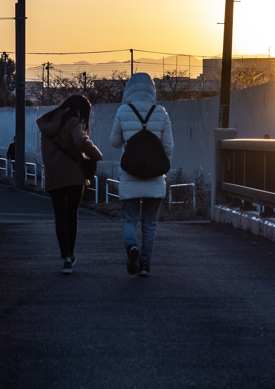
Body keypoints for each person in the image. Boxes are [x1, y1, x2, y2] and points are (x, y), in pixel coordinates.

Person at [110, 72, 174, 277]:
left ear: (129, 89)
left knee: (128, 218)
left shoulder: (123, 110)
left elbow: (115, 142)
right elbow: (168, 148)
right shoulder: (161, 112)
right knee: (149, 223)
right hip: (154, 177)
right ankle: (145, 265)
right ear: (152, 90)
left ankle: (132, 248)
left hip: (130, 174)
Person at [37, 95, 103, 274]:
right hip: (74, 174)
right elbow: (81, 141)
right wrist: (97, 155)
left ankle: (65, 256)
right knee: (72, 215)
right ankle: (70, 255)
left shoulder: (48, 121)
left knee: (60, 216)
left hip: (54, 174)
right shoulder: (73, 121)